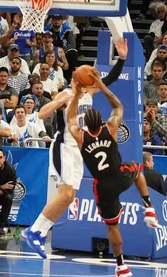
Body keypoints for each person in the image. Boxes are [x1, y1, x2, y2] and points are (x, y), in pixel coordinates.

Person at [21, 38, 130, 256]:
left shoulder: (90, 92)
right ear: (75, 78)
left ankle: (38, 232)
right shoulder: (64, 94)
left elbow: (111, 78)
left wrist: (122, 58)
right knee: (65, 194)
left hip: (79, 150)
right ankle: (34, 231)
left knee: (69, 196)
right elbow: (41, 114)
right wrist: (60, 101)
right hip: (64, 145)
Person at [65, 75, 160, 277]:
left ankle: (121, 266)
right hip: (121, 175)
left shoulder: (81, 136)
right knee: (137, 169)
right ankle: (149, 208)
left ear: (86, 125)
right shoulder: (110, 128)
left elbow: (70, 118)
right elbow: (118, 107)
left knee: (111, 227)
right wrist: (101, 86)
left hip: (103, 187)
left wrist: (75, 95)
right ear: (101, 121)